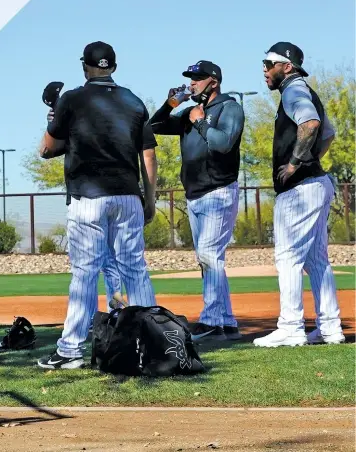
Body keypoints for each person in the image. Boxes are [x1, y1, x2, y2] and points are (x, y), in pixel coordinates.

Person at [37, 41, 158, 369]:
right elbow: (148, 153)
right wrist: (150, 198)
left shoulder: (72, 99)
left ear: (85, 66)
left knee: (85, 272)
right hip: (128, 196)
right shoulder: (133, 101)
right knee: (134, 269)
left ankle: (71, 349)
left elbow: (47, 149)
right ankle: (150, 345)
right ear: (113, 67)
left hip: (89, 198)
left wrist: (54, 120)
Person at [253, 42, 345, 348]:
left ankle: (291, 327)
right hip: (317, 184)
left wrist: (295, 162)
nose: (264, 70)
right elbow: (329, 133)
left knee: (288, 258)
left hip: (300, 189)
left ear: (286, 67)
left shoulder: (293, 90)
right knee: (317, 261)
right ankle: (330, 328)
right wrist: (312, 159)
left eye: (269, 64)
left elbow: (312, 124)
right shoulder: (304, 90)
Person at [150, 60, 245, 340]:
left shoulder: (230, 108)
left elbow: (222, 143)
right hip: (194, 194)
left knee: (209, 256)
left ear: (213, 82)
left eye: (198, 78)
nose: (192, 82)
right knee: (208, 259)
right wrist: (171, 104)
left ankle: (213, 320)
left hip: (218, 191)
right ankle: (225, 321)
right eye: (190, 78)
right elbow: (153, 126)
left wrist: (200, 122)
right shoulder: (189, 112)